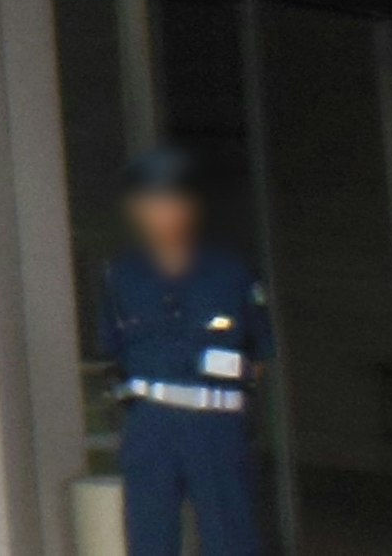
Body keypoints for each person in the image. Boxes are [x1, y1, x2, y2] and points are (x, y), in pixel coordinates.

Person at [101, 145, 272, 556]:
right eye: (151, 203)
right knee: (150, 538)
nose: (163, 214)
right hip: (151, 424)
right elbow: (114, 349)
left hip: (215, 425)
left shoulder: (230, 273)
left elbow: (259, 351)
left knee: (229, 537)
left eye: (173, 201)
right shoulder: (122, 274)